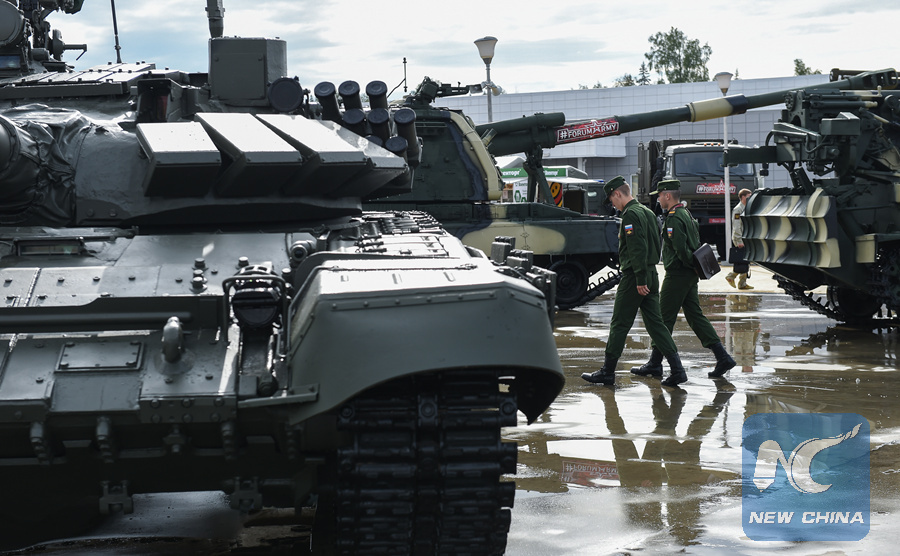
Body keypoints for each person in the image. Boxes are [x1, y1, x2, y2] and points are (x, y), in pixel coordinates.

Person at [582, 176, 687, 387]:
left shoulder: (630, 214)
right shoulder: (647, 212)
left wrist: (639, 278)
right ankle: (677, 370)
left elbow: (637, 248)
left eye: (612, 199)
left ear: (617, 194)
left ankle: (607, 372)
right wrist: (646, 274)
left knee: (619, 323)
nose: (613, 204)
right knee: (656, 325)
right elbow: (656, 243)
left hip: (635, 277)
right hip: (651, 274)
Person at [630, 180, 736, 379]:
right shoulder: (686, 213)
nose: (658, 199)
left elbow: (680, 249)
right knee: (695, 316)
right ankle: (722, 357)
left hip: (678, 274)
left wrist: (690, 265)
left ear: (667, 196)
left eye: (659, 196)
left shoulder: (674, 218)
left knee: (663, 318)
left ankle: (656, 363)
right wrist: (694, 268)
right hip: (688, 275)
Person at [725, 188, 753, 290]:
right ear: (743, 197)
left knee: (745, 259)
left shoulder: (746, 208)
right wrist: (739, 240)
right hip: (739, 238)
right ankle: (731, 276)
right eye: (748, 197)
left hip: (745, 237)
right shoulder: (738, 209)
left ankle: (742, 283)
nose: (750, 199)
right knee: (742, 260)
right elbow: (736, 227)